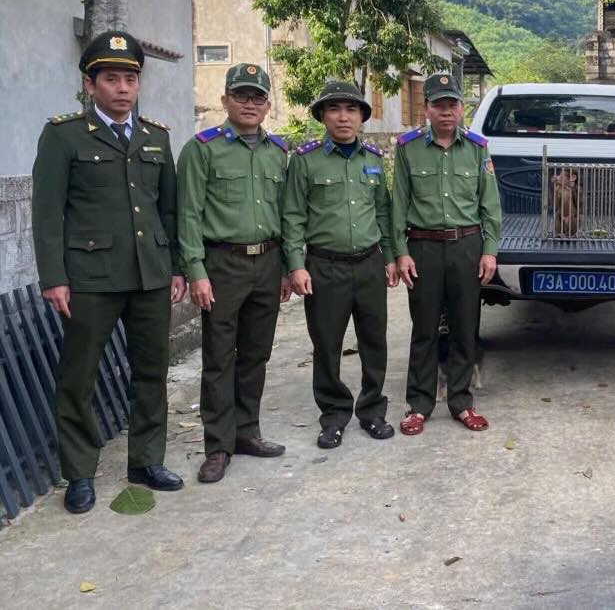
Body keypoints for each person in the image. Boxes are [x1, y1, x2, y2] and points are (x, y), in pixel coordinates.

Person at [31, 31, 187, 513]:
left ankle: (145, 460)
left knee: (150, 373)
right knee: (79, 378)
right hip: (90, 280)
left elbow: (169, 211)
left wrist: (176, 267)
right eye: (112, 78)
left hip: (150, 277)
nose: (123, 88)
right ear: (90, 83)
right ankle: (79, 472)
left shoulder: (154, 137)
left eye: (131, 79)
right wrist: (54, 277)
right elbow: (47, 213)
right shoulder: (64, 135)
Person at [177, 63, 292, 483]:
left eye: (257, 96)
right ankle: (218, 445)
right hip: (221, 265)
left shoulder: (278, 153)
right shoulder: (202, 149)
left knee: (256, 355)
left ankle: (247, 432)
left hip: (267, 262)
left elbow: (286, 214)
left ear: (267, 104)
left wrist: (283, 269)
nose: (249, 103)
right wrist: (196, 271)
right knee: (219, 358)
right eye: (241, 95)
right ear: (225, 100)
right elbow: (187, 215)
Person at [282, 80, 397, 449]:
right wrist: (296, 265)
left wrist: (391, 258)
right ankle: (333, 414)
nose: (343, 117)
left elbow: (383, 212)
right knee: (327, 344)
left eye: (351, 109)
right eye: (334, 109)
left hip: (369, 264)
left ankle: (372, 410)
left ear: (363, 116)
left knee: (374, 342)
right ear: (322, 116)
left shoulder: (374, 160)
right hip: (324, 266)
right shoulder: (305, 160)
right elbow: (293, 215)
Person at [390, 73, 502, 436]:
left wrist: (489, 251)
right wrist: (401, 252)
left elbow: (490, 205)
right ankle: (419, 404)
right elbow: (398, 205)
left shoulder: (476, 147)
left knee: (464, 327)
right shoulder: (408, 149)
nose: (446, 111)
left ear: (460, 107)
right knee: (423, 328)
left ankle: (461, 401)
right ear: (426, 109)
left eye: (452, 104)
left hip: (466, 246)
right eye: (439, 104)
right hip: (423, 247)